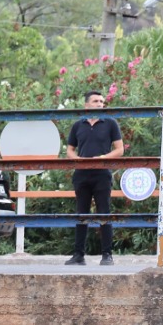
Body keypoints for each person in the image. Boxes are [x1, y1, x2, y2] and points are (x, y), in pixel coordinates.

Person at [63, 89, 124, 267]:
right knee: (81, 214)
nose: (100, 104)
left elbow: (120, 150)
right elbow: (69, 150)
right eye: (96, 101)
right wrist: (77, 161)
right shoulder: (78, 125)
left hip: (102, 174)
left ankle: (107, 255)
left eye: (102, 101)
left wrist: (103, 158)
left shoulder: (110, 123)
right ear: (86, 105)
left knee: (104, 213)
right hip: (81, 175)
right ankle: (78, 255)